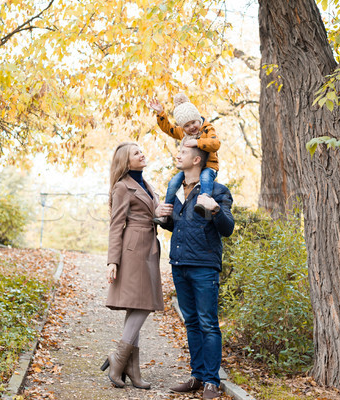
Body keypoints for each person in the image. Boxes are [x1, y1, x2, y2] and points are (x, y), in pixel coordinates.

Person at [154, 145, 235, 399]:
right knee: (191, 322)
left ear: (197, 159)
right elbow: (179, 228)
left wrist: (215, 208)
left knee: (208, 324)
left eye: (183, 152)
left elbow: (227, 229)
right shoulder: (175, 190)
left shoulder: (218, 191)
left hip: (204, 266)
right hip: (179, 264)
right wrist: (162, 217)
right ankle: (197, 376)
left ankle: (212, 381)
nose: (178, 155)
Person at [100, 142, 163, 390]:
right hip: (133, 248)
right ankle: (118, 357)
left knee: (137, 305)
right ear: (126, 162)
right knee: (144, 304)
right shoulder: (122, 187)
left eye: (141, 150)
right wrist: (112, 261)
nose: (142, 154)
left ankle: (132, 371)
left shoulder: (145, 184)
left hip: (149, 246)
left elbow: (152, 213)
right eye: (136, 153)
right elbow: (116, 225)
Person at [149, 93, 221, 221]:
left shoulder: (207, 129)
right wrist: (161, 114)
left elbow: (215, 144)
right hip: (190, 170)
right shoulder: (183, 133)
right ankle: (166, 213)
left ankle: (204, 204)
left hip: (208, 166)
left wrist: (198, 142)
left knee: (205, 179)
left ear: (198, 119)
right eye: (186, 126)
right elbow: (168, 129)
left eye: (193, 123)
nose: (191, 127)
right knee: (173, 183)